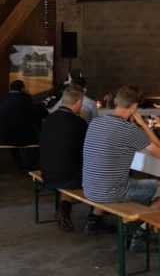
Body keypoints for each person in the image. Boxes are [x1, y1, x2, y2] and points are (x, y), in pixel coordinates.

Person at [83, 85, 160, 251]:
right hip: (112, 192)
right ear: (134, 107)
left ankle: (94, 219)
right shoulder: (129, 129)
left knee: (110, 176)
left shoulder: (96, 122)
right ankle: (139, 235)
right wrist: (142, 123)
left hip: (89, 187)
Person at [39, 86, 112, 234]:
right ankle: (95, 219)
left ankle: (64, 206)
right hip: (67, 176)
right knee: (108, 179)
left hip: (47, 172)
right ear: (79, 103)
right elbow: (90, 150)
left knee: (69, 166)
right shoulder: (78, 123)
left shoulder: (49, 119)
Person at [0, 80, 42, 171]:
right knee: (38, 141)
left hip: (6, 135)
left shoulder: (4, 98)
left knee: (13, 144)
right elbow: (34, 116)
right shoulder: (26, 98)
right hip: (23, 136)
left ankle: (20, 163)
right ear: (22, 88)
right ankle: (31, 165)